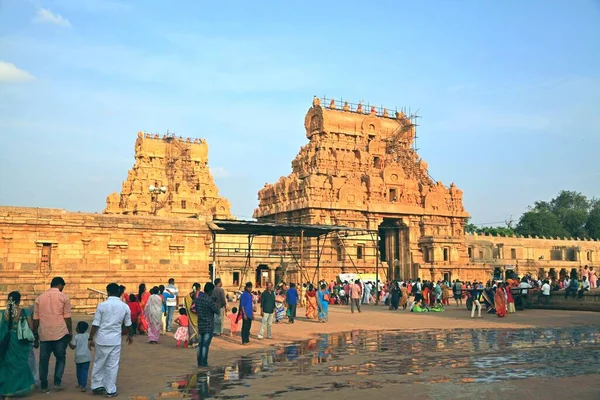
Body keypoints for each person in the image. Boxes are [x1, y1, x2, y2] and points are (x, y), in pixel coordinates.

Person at [89, 283, 133, 398]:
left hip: (102, 338)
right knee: (112, 365)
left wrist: (90, 337)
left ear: (108, 292)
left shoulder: (102, 306)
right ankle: (110, 389)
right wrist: (130, 335)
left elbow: (96, 324)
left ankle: (96, 385)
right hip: (115, 340)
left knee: (99, 362)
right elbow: (128, 324)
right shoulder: (124, 306)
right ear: (118, 291)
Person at [33, 276, 72, 393]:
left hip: (44, 333)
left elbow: (36, 319)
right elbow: (67, 317)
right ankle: (57, 382)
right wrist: (70, 332)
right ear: (60, 285)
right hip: (60, 332)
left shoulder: (39, 298)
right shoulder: (64, 298)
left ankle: (44, 385)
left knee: (44, 360)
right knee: (60, 358)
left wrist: (35, 333)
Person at [0, 291, 36, 398]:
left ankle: (6, 390)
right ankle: (14, 389)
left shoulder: (4, 313)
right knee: (19, 365)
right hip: (20, 342)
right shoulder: (24, 312)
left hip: (7, 342)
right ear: (19, 300)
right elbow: (31, 326)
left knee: (7, 366)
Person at [194, 282, 220, 367]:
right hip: (208, 325)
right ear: (211, 291)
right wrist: (215, 302)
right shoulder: (209, 300)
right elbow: (217, 310)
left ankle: (199, 361)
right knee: (205, 345)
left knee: (200, 344)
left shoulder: (198, 299)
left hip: (200, 323)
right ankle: (204, 362)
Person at [69, 321, 91, 392]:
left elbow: (73, 347)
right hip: (87, 357)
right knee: (84, 371)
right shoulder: (88, 335)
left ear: (78, 329)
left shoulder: (76, 337)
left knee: (78, 371)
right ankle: (83, 386)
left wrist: (68, 342)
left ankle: (80, 383)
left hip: (78, 357)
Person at [184, 283, 201, 348]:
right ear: (198, 288)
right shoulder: (198, 295)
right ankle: (195, 342)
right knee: (196, 328)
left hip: (189, 315)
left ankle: (191, 342)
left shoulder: (187, 296)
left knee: (191, 328)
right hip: (196, 315)